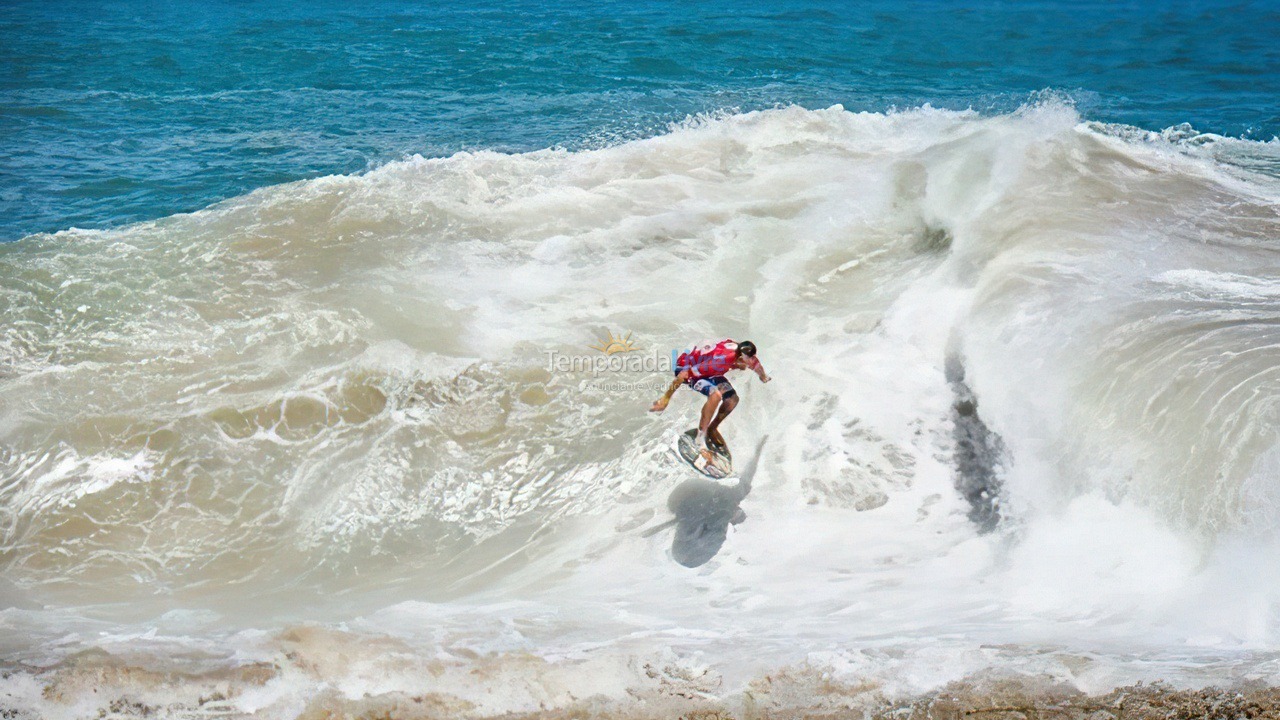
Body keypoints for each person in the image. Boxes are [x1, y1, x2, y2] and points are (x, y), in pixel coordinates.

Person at [650, 339, 770, 461]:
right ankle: (699, 441)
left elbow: (757, 366)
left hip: (712, 374)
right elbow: (682, 376)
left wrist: (763, 377)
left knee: (732, 400)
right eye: (746, 362)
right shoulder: (718, 362)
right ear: (740, 356)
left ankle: (712, 429)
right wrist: (665, 399)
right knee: (715, 395)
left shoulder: (739, 351)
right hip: (689, 371)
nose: (749, 365)